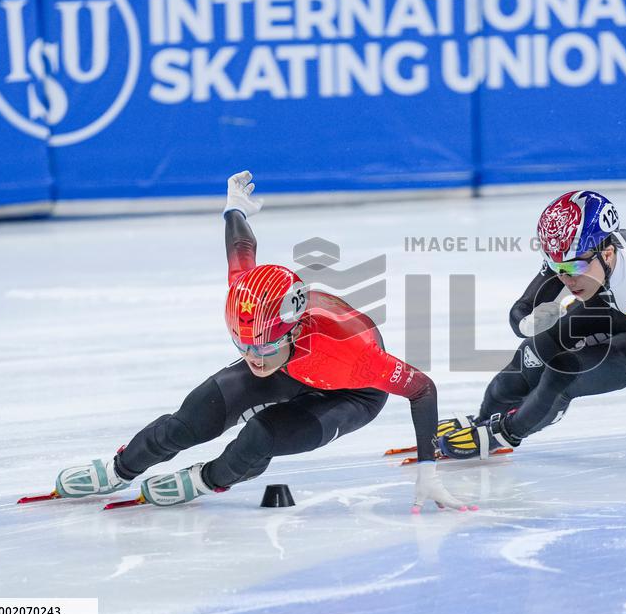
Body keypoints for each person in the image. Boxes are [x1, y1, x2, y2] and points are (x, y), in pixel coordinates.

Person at [52, 171, 470, 513]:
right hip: (297, 364)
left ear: (292, 329)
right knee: (193, 418)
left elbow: (422, 388)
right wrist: (235, 207)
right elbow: (241, 246)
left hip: (350, 392)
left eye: (263, 348)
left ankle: (207, 479)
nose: (254, 359)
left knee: (260, 436)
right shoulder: (251, 300)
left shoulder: (354, 353)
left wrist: (428, 470)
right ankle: (117, 470)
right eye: (244, 348)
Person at [437, 190, 626, 470]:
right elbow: (523, 309)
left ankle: (503, 435)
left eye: (573, 269)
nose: (567, 281)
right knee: (533, 351)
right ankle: (483, 418)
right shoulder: (580, 254)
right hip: (615, 300)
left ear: (608, 253)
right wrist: (526, 322)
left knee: (563, 374)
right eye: (557, 269)